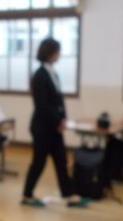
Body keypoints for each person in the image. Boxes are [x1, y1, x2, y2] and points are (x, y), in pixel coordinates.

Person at [22, 38, 88, 208]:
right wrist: (57, 122)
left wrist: (63, 119)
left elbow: (58, 100)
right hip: (42, 128)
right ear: (50, 53)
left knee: (61, 161)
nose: (59, 55)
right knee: (39, 162)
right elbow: (42, 105)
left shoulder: (53, 73)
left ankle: (70, 195)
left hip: (54, 127)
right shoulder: (39, 75)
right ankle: (27, 195)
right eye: (58, 51)